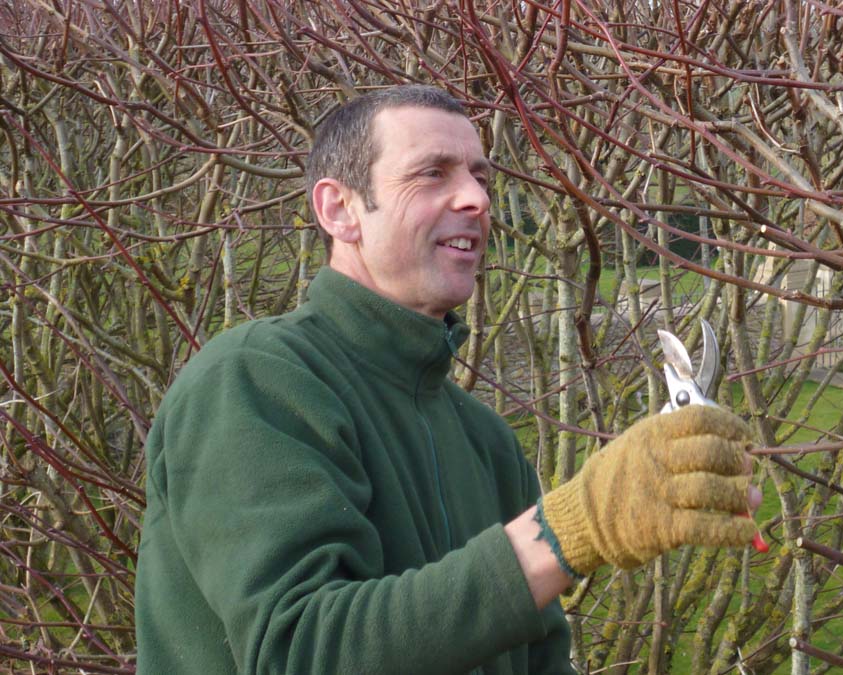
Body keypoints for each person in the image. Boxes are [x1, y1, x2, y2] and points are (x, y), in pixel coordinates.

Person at [134, 84, 762, 674]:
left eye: (480, 177)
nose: (477, 199)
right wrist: (572, 529)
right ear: (340, 209)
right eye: (433, 173)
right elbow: (303, 649)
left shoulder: (487, 443)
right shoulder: (254, 380)